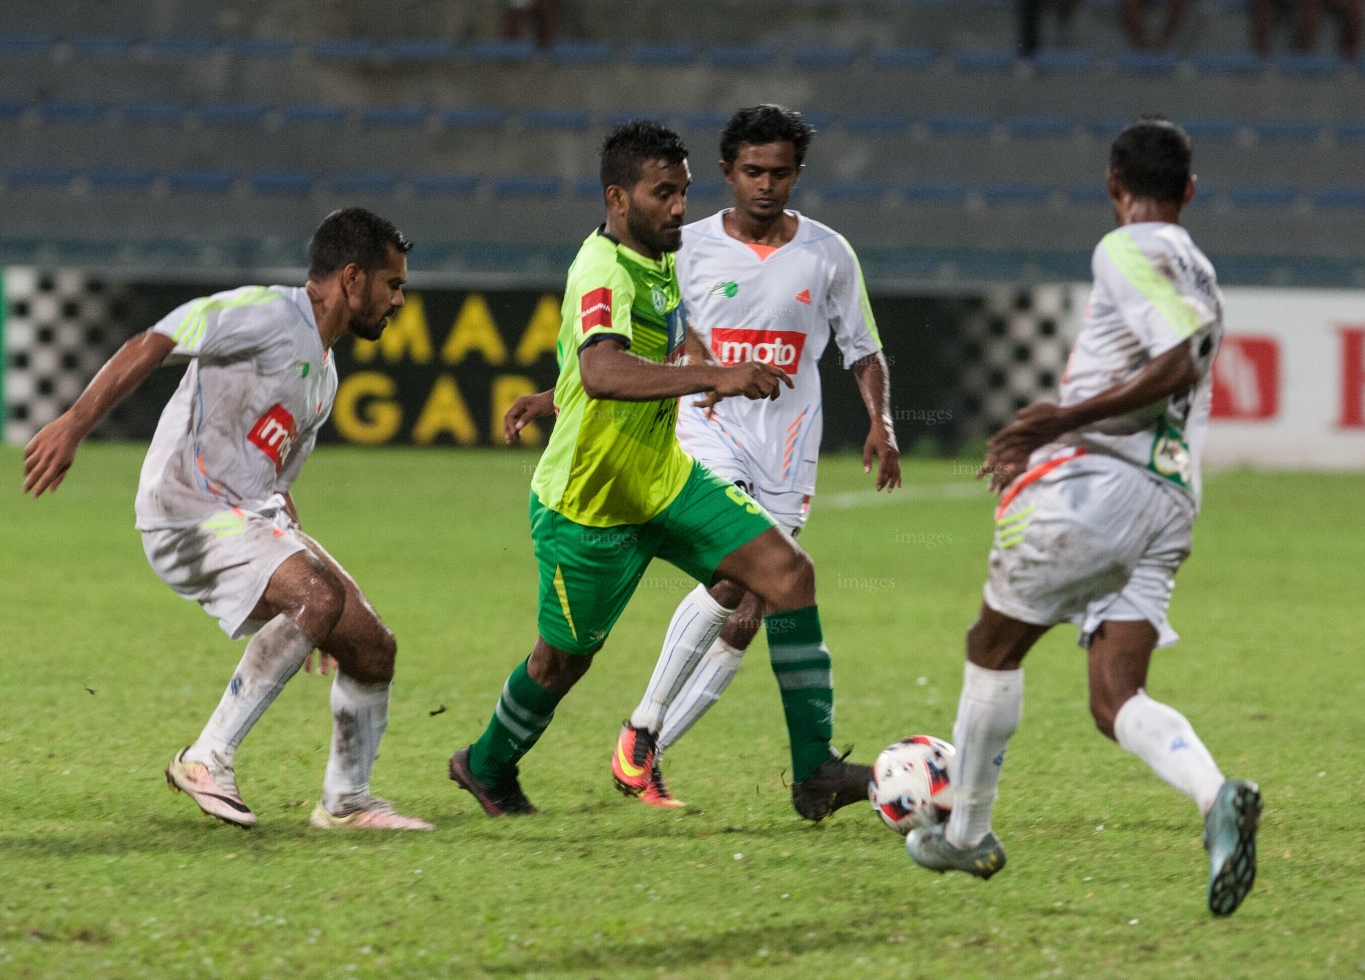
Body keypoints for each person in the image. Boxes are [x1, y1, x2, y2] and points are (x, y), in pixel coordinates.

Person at [448, 120, 875, 822]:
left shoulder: (660, 257)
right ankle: (485, 763)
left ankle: (815, 774)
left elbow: (642, 351)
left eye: (682, 191)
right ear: (618, 198)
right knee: (561, 663)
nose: (678, 207)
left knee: (787, 574)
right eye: (662, 193)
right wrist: (718, 374)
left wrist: (556, 392)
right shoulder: (603, 269)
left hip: (664, 479)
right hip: (589, 507)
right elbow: (604, 369)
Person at [906, 116, 1262, 918]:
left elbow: (1177, 359)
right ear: (1190, 190)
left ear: (1113, 187)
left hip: (1098, 487)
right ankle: (1215, 799)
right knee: (1114, 696)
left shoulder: (1125, 247)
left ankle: (964, 835)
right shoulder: (1199, 266)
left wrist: (1059, 424)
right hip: (1169, 502)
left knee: (991, 646)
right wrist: (1060, 417)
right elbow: (1181, 358)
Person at [22, 207, 432, 831]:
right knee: (318, 599)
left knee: (373, 646)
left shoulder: (323, 374)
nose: (400, 300)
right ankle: (206, 758)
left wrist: (309, 591)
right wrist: (74, 424)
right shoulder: (266, 313)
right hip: (185, 511)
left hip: (243, 515)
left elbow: (276, 488)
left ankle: (347, 801)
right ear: (352, 278)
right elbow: (155, 340)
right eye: (393, 284)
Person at [606, 104, 901, 810]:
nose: (766, 185)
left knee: (747, 615)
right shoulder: (686, 247)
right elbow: (643, 331)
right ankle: (641, 725)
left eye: (780, 173)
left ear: (797, 174)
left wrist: (881, 423)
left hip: (789, 453)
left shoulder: (828, 252)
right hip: (707, 436)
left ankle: (643, 759)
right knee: (733, 580)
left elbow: (863, 348)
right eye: (752, 171)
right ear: (725, 173)